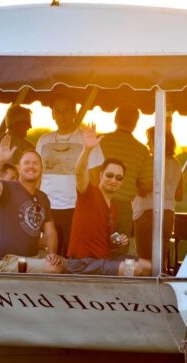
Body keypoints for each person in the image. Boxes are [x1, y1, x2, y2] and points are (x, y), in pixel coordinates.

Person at [65, 125, 151, 276]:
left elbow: (105, 244)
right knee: (134, 269)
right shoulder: (89, 193)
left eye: (119, 178)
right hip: (82, 263)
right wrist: (87, 149)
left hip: (103, 259)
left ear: (122, 182)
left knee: (148, 266)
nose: (113, 180)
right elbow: (79, 172)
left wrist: (118, 241)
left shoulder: (114, 207)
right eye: (109, 175)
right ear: (101, 175)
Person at [36, 93, 104, 256]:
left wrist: (91, 207)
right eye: (57, 111)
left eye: (66, 110)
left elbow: (95, 178)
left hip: (76, 207)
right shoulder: (43, 140)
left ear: (74, 112)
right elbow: (37, 176)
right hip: (48, 206)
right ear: (52, 114)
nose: (61, 115)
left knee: (73, 254)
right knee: (50, 254)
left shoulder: (87, 140)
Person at [0, 136, 63, 273]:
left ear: (41, 169)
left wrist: (52, 253)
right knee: (54, 268)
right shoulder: (7, 188)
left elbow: (50, 231)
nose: (31, 166)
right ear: (19, 169)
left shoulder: (43, 197)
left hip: (32, 258)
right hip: (7, 261)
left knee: (66, 263)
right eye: (26, 163)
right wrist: (1, 161)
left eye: (35, 163)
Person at [133, 127, 183, 268]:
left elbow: (144, 190)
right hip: (168, 213)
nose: (148, 144)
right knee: (160, 258)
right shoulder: (176, 164)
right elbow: (179, 196)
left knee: (144, 259)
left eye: (149, 141)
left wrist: (133, 181)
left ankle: (145, 288)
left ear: (156, 142)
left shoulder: (150, 162)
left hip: (146, 211)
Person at [99, 104, 152, 237]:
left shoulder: (100, 141)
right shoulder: (142, 150)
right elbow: (146, 186)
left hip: (98, 202)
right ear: (135, 123)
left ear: (115, 119)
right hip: (124, 206)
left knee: (96, 245)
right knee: (119, 250)